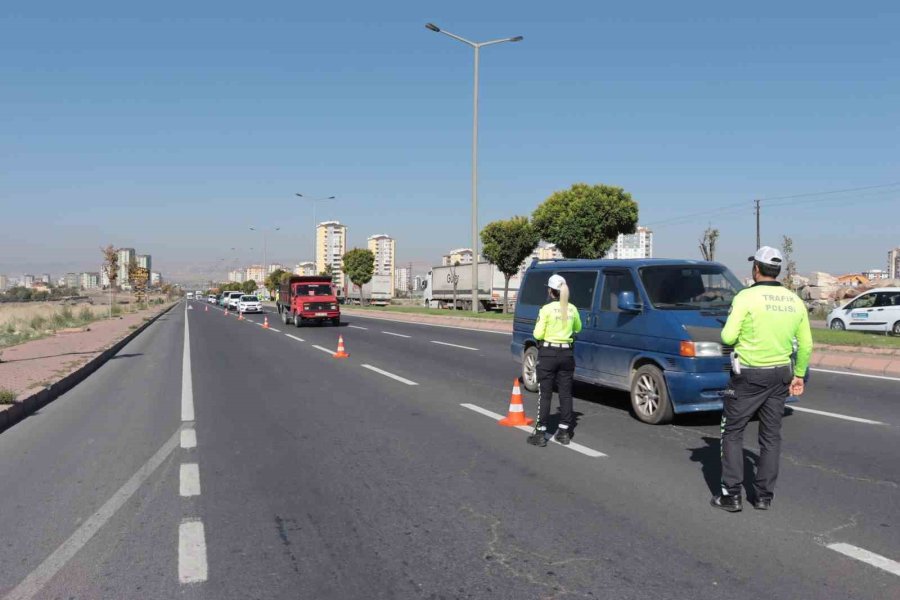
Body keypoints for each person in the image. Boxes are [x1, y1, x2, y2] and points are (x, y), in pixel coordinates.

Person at [711, 246, 812, 512]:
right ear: (777, 270)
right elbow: (806, 345)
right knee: (770, 436)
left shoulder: (746, 298)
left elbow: (727, 337)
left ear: (756, 269)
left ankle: (731, 495)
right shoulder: (794, 300)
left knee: (732, 432)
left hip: (749, 375)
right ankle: (764, 496)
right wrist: (799, 374)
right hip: (781, 374)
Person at [528, 274, 582, 447]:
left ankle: (540, 433)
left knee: (545, 394)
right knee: (565, 393)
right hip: (567, 355)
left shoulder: (546, 309)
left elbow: (537, 334)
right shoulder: (572, 309)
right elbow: (578, 328)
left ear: (551, 291)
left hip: (548, 354)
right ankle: (564, 432)